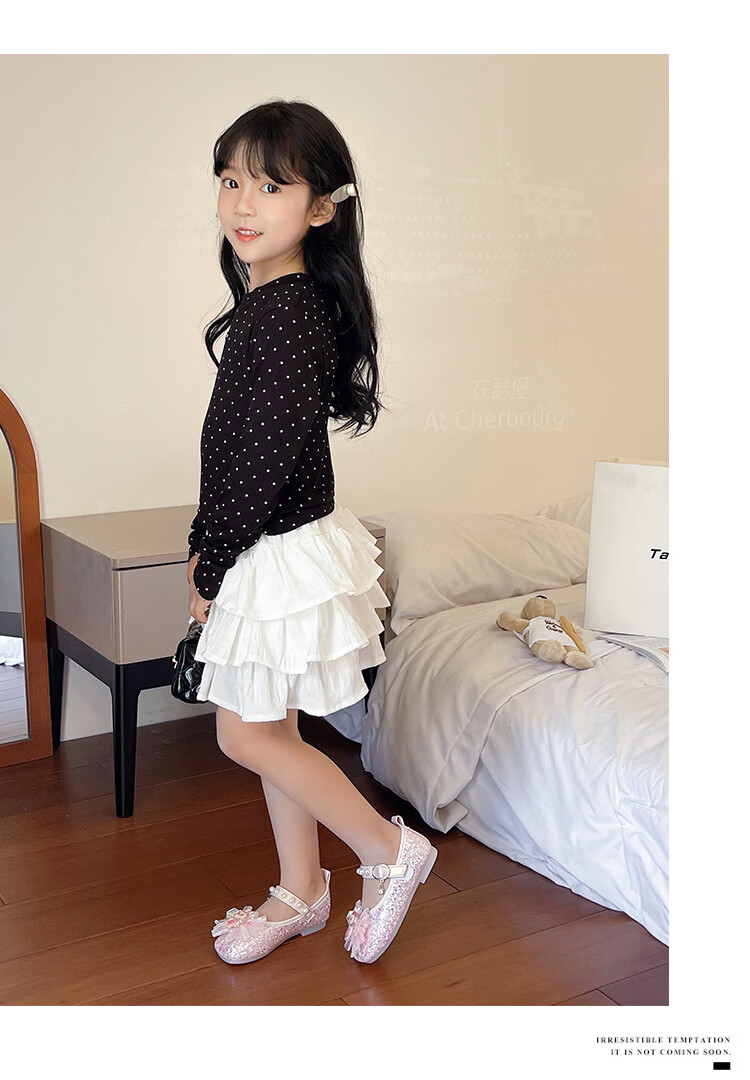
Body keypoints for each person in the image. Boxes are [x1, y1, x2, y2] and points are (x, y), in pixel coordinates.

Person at [186, 99, 438, 966]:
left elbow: (261, 462)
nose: (241, 204)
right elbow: (235, 448)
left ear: (321, 208)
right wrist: (206, 540)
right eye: (230, 182)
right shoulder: (273, 301)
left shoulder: (289, 312)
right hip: (267, 542)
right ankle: (302, 889)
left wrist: (213, 563)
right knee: (274, 727)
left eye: (270, 187)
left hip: (275, 548)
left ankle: (387, 849)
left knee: (245, 732)